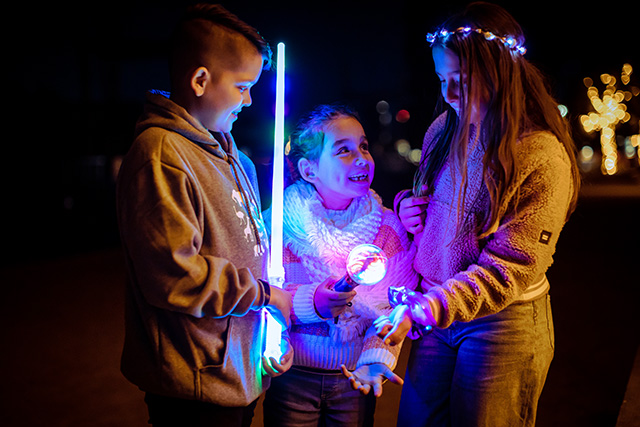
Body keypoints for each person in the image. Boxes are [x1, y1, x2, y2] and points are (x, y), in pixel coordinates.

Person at [375, 2, 581, 426]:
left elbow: (511, 267)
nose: (448, 94)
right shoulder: (441, 130)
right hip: (435, 318)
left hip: (501, 324)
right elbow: (429, 206)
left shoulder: (540, 155)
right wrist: (409, 210)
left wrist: (428, 307)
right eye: (441, 79)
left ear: (502, 72)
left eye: (462, 80)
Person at [115, 4, 293, 426]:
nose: (249, 100)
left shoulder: (236, 158)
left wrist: (262, 344)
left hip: (236, 376)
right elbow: (175, 277)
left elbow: (245, 253)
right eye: (243, 86)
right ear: (200, 80)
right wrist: (266, 295)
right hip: (192, 389)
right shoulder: (161, 154)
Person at [262, 104, 419, 426]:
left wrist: (376, 358)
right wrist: (311, 301)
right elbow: (261, 293)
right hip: (291, 375)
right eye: (343, 150)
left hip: (355, 378)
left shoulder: (388, 228)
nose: (362, 157)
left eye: (363, 146)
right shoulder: (278, 226)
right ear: (309, 170)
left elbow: (393, 305)